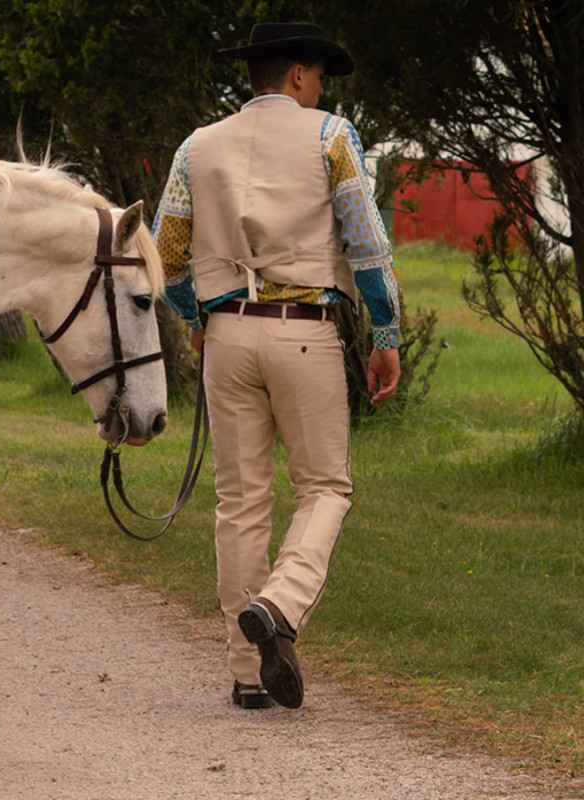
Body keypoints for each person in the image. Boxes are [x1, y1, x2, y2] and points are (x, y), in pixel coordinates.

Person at [153, 22, 402, 710]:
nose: (322, 88)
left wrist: (199, 315)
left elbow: (165, 254)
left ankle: (243, 671)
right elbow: (367, 242)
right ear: (298, 75)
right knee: (326, 487)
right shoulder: (330, 136)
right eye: (320, 75)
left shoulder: (196, 146)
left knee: (241, 503)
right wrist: (386, 332)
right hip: (306, 332)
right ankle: (282, 605)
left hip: (228, 337)